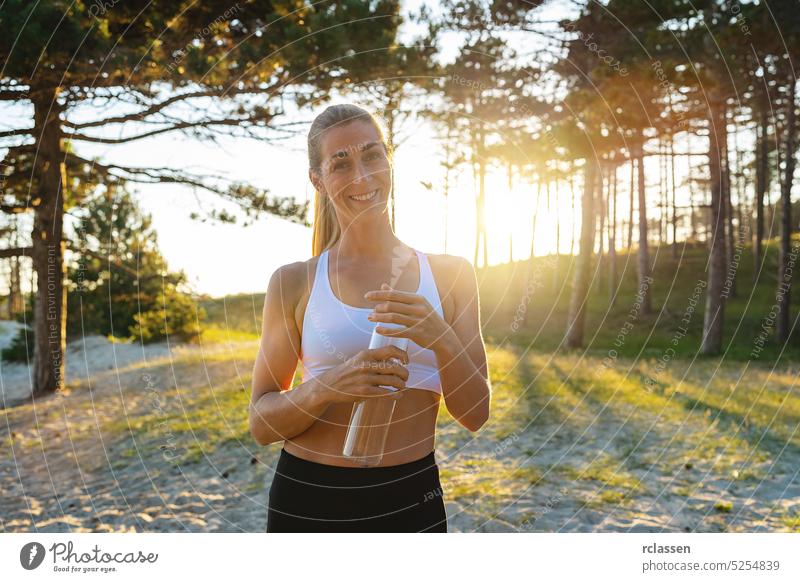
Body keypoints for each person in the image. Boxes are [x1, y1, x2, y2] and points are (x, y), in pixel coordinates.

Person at [249, 103, 491, 532]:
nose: (361, 175)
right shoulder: (293, 282)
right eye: (341, 163)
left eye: (372, 155)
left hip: (412, 494)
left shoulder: (451, 275)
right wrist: (325, 387)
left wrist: (441, 338)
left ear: (389, 160)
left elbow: (475, 414)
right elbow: (262, 424)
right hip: (308, 496)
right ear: (317, 180)